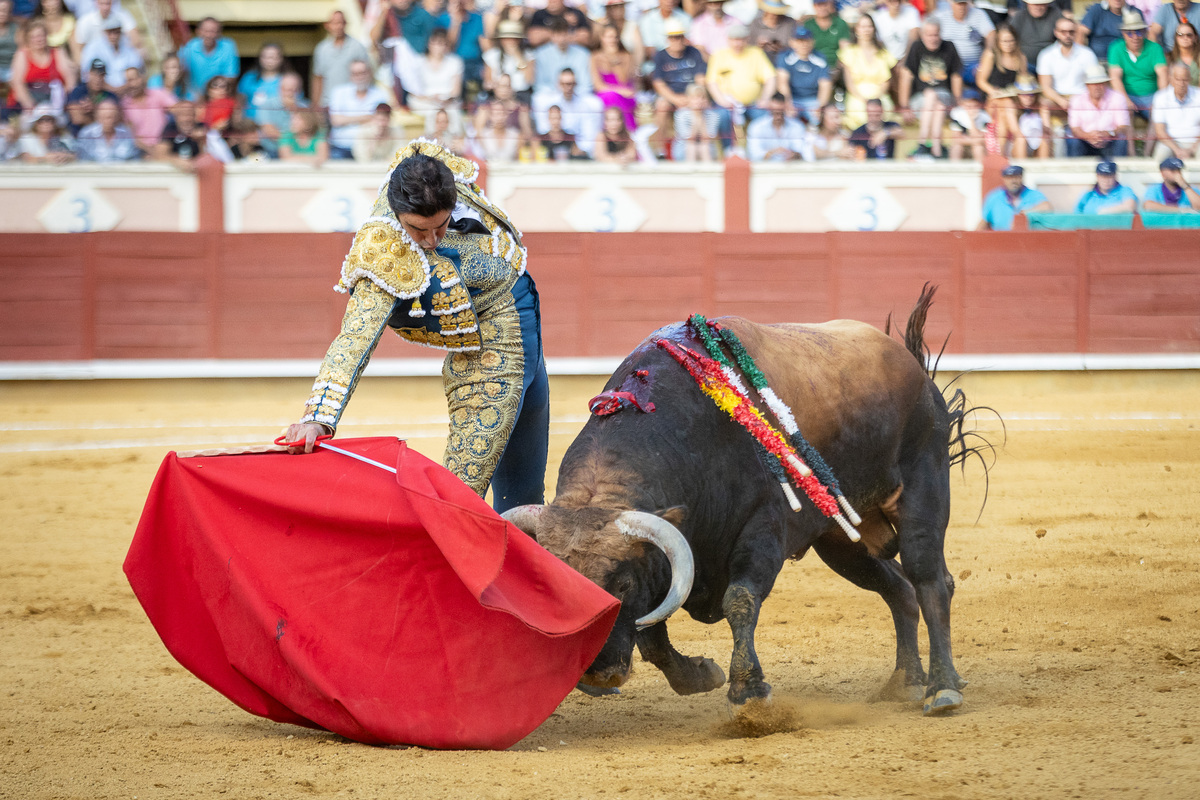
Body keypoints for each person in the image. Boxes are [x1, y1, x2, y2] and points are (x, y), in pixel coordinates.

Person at [284, 141, 550, 515]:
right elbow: (355, 338)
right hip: (491, 343)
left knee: (524, 483)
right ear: (397, 214)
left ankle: (524, 562)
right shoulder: (384, 251)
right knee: (460, 496)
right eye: (417, 230)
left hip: (522, 321)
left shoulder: (438, 175)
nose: (429, 240)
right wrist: (318, 417)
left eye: (439, 227)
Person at [900, 19, 964, 158]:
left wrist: (957, 102)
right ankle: (937, 149)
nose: (933, 39)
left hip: (944, 94)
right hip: (919, 99)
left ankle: (922, 143)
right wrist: (904, 106)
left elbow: (956, 76)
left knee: (933, 96)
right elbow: (906, 76)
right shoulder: (916, 47)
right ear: (922, 35)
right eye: (929, 35)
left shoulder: (949, 47)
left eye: (936, 35)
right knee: (938, 105)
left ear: (940, 34)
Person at [650, 20, 705, 154]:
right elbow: (658, 83)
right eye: (673, 37)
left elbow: (701, 78)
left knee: (700, 105)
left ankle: (700, 149)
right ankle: (660, 151)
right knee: (662, 107)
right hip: (670, 94)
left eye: (679, 37)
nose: (677, 41)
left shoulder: (694, 52)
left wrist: (694, 97)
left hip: (692, 92)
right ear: (668, 39)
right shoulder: (661, 55)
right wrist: (675, 99)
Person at [1108, 10, 1166, 124]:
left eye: (1138, 32)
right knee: (1124, 111)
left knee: (1158, 114)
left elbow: (1163, 76)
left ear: (1144, 32)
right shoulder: (1116, 48)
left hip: (1151, 94)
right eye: (1129, 33)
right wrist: (1126, 100)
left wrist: (1159, 100)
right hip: (1127, 93)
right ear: (1123, 34)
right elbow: (1115, 77)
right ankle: (1130, 142)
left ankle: (1149, 142)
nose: (1135, 36)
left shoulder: (1155, 48)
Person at [839, 12, 896, 128]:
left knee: (884, 113)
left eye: (869, 26)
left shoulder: (882, 53)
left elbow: (886, 82)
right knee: (860, 117)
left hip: (879, 96)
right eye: (862, 26)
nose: (866, 30)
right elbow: (849, 83)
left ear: (874, 29)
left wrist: (876, 98)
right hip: (857, 96)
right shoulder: (849, 52)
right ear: (856, 29)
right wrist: (864, 100)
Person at [7, 18, 74, 116]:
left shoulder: (58, 52)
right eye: (33, 37)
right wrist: (30, 106)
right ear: (28, 39)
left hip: (55, 100)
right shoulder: (22, 54)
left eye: (40, 35)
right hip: (28, 101)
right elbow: (17, 83)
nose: (38, 40)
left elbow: (70, 79)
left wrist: (61, 102)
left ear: (46, 36)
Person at [1038, 16, 1099, 118]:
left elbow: (1094, 82)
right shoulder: (1046, 55)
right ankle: (1046, 133)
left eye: (1071, 32)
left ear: (1075, 33)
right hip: (1057, 99)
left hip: (1082, 99)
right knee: (1044, 105)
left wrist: (1077, 102)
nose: (1067, 35)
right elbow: (1046, 87)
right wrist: (1061, 101)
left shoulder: (1087, 54)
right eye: (1063, 32)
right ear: (1056, 32)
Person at [532, 67, 603, 155]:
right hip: (551, 149)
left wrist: (579, 151)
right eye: (564, 84)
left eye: (570, 84)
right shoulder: (549, 103)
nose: (567, 87)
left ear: (576, 84)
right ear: (558, 84)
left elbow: (588, 134)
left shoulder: (584, 106)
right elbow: (544, 130)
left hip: (577, 152)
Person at [328, 59, 390, 159]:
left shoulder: (380, 94)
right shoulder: (338, 92)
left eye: (363, 73)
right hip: (341, 146)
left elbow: (383, 119)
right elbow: (336, 120)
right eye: (355, 74)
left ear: (369, 73)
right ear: (350, 75)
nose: (360, 77)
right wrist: (368, 117)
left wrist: (346, 119)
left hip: (369, 148)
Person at [408, 28, 465, 133]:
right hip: (424, 102)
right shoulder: (418, 62)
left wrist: (445, 99)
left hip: (448, 101)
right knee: (433, 112)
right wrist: (431, 98)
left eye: (442, 43)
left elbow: (456, 91)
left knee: (452, 112)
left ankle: (454, 144)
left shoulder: (455, 62)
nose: (438, 47)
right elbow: (413, 90)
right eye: (436, 43)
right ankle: (431, 143)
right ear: (429, 44)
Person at [1067, 62, 1131, 155]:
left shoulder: (1117, 97)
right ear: (1087, 85)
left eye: (1100, 83)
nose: (1097, 87)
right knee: (1074, 141)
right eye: (1093, 84)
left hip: (1110, 140)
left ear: (1106, 84)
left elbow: (1123, 126)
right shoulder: (1077, 100)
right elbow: (1075, 128)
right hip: (1085, 140)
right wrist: (1088, 136)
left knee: (1121, 140)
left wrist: (1108, 134)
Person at [316, 10, 371, 109]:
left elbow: (367, 74)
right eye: (335, 23)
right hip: (328, 103)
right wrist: (316, 105)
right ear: (327, 25)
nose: (339, 26)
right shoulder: (321, 49)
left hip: (352, 102)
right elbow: (318, 78)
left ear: (345, 24)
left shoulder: (357, 46)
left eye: (341, 22)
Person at [776, 25, 831, 120]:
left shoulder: (820, 59)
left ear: (812, 42)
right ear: (792, 42)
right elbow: (782, 83)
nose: (803, 44)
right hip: (793, 98)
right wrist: (788, 103)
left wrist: (820, 106)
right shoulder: (785, 57)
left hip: (813, 99)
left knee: (818, 120)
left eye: (806, 40)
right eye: (800, 41)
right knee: (789, 118)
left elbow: (825, 85)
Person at [935, 0, 996, 85]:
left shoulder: (978, 14)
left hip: (973, 64)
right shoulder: (941, 17)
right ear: (951, 4)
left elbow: (991, 34)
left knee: (985, 69)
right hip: (949, 65)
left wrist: (987, 54)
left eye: (964, 3)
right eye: (958, 4)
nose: (961, 7)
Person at [177, 17, 238, 101]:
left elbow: (230, 77)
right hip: (192, 96)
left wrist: (212, 93)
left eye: (213, 31)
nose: (208, 35)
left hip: (217, 96)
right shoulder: (188, 47)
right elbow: (180, 74)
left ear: (219, 33)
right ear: (198, 31)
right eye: (205, 31)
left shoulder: (228, 46)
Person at [591, 22, 638, 129]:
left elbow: (623, 80)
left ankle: (628, 130)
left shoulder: (626, 56)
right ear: (602, 38)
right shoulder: (594, 57)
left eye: (615, 37)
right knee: (611, 96)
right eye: (609, 37)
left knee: (616, 97)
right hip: (607, 94)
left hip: (625, 95)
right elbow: (598, 86)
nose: (612, 40)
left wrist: (615, 62)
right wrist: (618, 91)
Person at [120, 65, 175, 155]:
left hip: (164, 146)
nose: (129, 85)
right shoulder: (124, 105)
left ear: (141, 79)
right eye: (126, 81)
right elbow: (130, 134)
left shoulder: (158, 94)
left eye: (132, 80)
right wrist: (151, 151)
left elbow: (178, 110)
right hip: (140, 151)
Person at [978, 163, 1051, 229]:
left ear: (1021, 178)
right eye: (1009, 178)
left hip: (1027, 239)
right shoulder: (994, 197)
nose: (1013, 181)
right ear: (1004, 179)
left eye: (1016, 177)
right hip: (1001, 239)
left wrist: (1026, 213)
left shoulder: (1033, 194)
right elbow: (984, 222)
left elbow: (1046, 207)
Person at [1151, 61, 1200, 157]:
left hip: (1196, 142)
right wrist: (1177, 150)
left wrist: (1191, 149)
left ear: (1189, 79)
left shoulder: (1198, 95)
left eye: (1185, 80)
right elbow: (1160, 131)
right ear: (1171, 79)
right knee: (1160, 156)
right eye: (1178, 79)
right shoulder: (1160, 97)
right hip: (1170, 142)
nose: (1181, 83)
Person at [78, 15, 141, 90]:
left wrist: (123, 88)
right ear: (104, 32)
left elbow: (136, 70)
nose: (113, 35)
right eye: (110, 32)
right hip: (102, 91)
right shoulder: (93, 47)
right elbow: (88, 74)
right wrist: (112, 89)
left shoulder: (127, 46)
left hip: (127, 91)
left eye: (116, 32)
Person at [439, 0, 487, 96]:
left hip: (473, 64)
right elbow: (448, 48)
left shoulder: (476, 18)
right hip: (451, 64)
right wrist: (455, 22)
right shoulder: (442, 19)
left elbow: (485, 47)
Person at [482, 19, 536, 103]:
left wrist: (518, 57)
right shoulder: (492, 55)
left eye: (514, 39)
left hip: (520, 94)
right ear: (501, 39)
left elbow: (529, 80)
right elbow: (488, 82)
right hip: (497, 95)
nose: (511, 42)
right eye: (507, 38)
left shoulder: (528, 55)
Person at [533, 19, 593, 93]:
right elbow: (540, 84)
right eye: (558, 34)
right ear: (551, 36)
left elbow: (586, 84)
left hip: (577, 95)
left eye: (564, 34)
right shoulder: (541, 53)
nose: (561, 39)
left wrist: (571, 93)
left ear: (570, 34)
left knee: (594, 103)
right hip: (550, 95)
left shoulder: (583, 53)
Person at [745, 89, 810, 159]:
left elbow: (802, 150)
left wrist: (793, 154)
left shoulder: (797, 126)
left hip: (790, 167)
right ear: (769, 109)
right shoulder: (756, 127)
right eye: (775, 112)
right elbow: (754, 154)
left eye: (781, 113)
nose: (778, 116)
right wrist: (773, 152)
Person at [71, 0, 136, 64]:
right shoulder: (85, 21)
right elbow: (79, 49)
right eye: (102, 4)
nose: (105, 7)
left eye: (107, 4)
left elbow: (135, 40)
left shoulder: (122, 16)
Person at [75, 94, 137, 160]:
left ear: (117, 118)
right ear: (97, 118)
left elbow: (134, 159)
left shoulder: (126, 133)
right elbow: (82, 160)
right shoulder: (86, 134)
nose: (108, 121)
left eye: (111, 117)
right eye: (104, 117)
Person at [238, 43, 287, 125]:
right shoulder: (249, 78)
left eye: (273, 57)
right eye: (265, 57)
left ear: (281, 59)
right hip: (250, 127)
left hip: (277, 127)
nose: (269, 60)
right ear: (260, 58)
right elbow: (240, 101)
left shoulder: (287, 80)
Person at [1079, 0, 1144, 62]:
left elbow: (1143, 37)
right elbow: (1081, 33)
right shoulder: (1096, 10)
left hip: (1125, 62)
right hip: (1098, 60)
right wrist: (1082, 58)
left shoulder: (1135, 13)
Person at [1008, 0, 1064, 68]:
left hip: (1051, 63)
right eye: (1034, 4)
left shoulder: (1056, 14)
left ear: (1047, 4)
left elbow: (1065, 36)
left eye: (1042, 4)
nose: (1038, 7)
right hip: (1025, 63)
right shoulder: (1019, 16)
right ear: (1027, 4)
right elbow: (1008, 37)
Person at [673, 81, 721, 159]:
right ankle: (690, 170)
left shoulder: (713, 115)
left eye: (702, 97)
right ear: (688, 99)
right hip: (684, 149)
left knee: (704, 146)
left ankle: (707, 170)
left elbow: (708, 138)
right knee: (691, 146)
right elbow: (689, 138)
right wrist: (696, 116)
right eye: (695, 98)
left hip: (707, 148)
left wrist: (700, 116)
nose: (699, 101)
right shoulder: (680, 114)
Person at [153, 98, 205, 169]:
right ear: (176, 117)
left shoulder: (202, 128)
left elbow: (212, 156)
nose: (186, 119)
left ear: (195, 116)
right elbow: (159, 155)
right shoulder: (170, 129)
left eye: (190, 114)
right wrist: (176, 160)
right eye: (182, 115)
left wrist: (201, 142)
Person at [804, 0, 851, 75]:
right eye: (819, 5)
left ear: (830, 5)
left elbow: (845, 48)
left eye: (825, 4)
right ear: (814, 6)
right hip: (814, 66)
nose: (822, 8)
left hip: (835, 66)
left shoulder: (840, 23)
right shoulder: (808, 24)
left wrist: (839, 64)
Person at [528, 0, 592, 47]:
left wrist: (547, 35)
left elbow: (586, 38)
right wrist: (564, 35)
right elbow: (534, 39)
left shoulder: (575, 13)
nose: (552, 1)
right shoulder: (539, 14)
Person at [874, 0, 922, 64]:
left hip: (908, 58)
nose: (896, 4)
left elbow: (914, 36)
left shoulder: (911, 11)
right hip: (887, 61)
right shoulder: (878, 17)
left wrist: (904, 60)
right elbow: (878, 43)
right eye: (892, 1)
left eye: (899, 1)